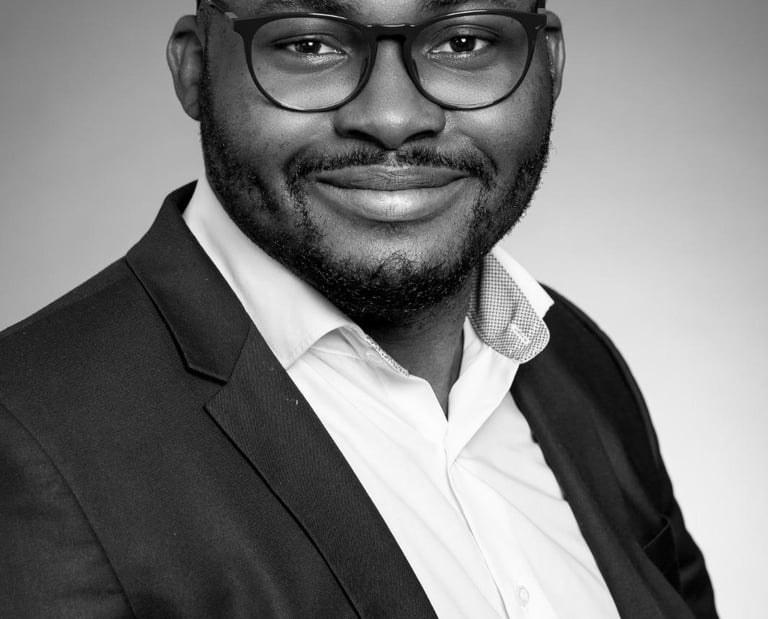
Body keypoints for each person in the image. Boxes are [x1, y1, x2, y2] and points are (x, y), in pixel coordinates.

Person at [0, 0, 718, 617]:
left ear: (549, 66)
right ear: (194, 68)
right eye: (309, 43)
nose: (393, 116)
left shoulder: (577, 362)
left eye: (463, 41)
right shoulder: (29, 436)